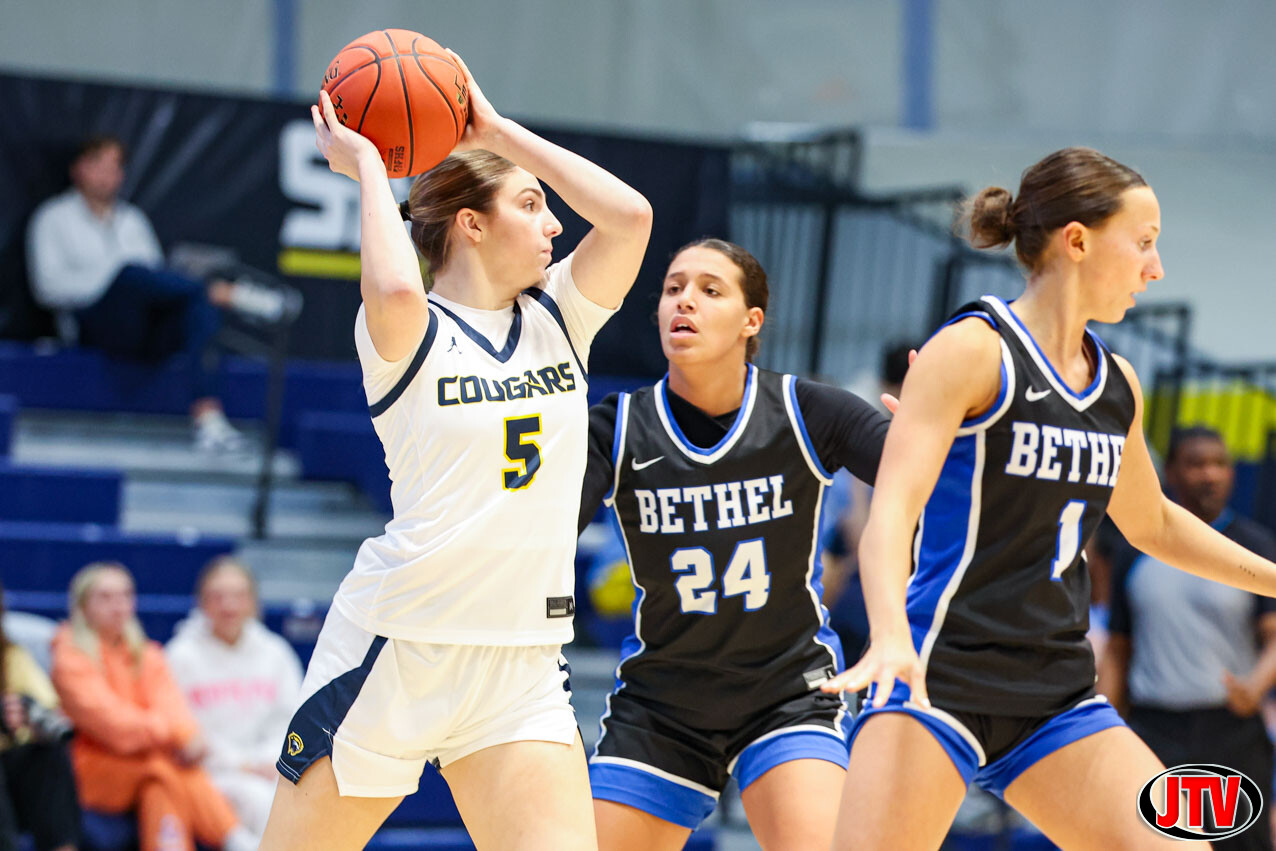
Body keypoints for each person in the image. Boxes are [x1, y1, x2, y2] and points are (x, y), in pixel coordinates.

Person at [822, 146, 1276, 849]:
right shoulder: (973, 349)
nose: (1156, 268)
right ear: (1077, 241)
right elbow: (892, 514)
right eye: (1145, 242)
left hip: (1055, 690)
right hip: (940, 671)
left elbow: (1153, 523)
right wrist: (887, 634)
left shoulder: (1118, 382)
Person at [260, 47, 651, 851]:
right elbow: (395, 283)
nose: (554, 224)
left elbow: (631, 218)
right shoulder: (409, 329)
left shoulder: (560, 318)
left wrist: (498, 132)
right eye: (531, 204)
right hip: (401, 645)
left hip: (521, 663)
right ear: (471, 224)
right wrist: (372, 167)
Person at [577, 238, 888, 850]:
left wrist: (939, 424)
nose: (684, 301)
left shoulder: (806, 411)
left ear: (752, 321)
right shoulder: (617, 428)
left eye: (709, 289)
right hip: (663, 701)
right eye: (673, 288)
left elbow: (931, 473)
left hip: (786, 690)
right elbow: (535, 534)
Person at [25, 135, 290, 452]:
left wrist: (135, 282)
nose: (108, 175)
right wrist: (113, 281)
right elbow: (48, 287)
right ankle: (229, 293)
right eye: (99, 165)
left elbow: (156, 279)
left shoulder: (132, 220)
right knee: (131, 274)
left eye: (115, 167)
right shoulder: (52, 218)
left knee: (199, 304)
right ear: (79, 169)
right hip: (92, 327)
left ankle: (209, 419)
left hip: (141, 329)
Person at [1099, 426, 1276, 850]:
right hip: (1155, 729)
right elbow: (1119, 649)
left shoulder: (1253, 545)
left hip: (1230, 730)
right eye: (1196, 464)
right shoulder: (1135, 550)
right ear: (1171, 474)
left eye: (1219, 464)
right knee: (1158, 844)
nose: (1210, 474)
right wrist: (1104, 721)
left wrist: (1256, 686)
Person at [49, 562, 254, 851]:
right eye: (105, 597)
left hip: (147, 765)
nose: (118, 606)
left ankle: (233, 841)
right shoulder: (69, 656)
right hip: (91, 770)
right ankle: (234, 838)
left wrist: (187, 735)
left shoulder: (147, 654)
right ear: (83, 606)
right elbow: (115, 728)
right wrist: (177, 735)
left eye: (125, 596)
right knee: (165, 766)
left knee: (160, 784)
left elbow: (172, 705)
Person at [165, 557, 303, 842]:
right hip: (208, 774)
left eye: (238, 596)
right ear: (202, 602)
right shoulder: (179, 656)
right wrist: (241, 764)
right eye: (218, 597)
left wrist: (270, 760)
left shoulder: (276, 652)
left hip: (271, 768)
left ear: (253, 602)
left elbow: (291, 719)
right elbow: (183, 731)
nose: (229, 606)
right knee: (261, 801)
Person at [0, 580, 80, 851]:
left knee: (49, 754)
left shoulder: (10, 654)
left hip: (11, 781)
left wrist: (33, 721)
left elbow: (48, 708)